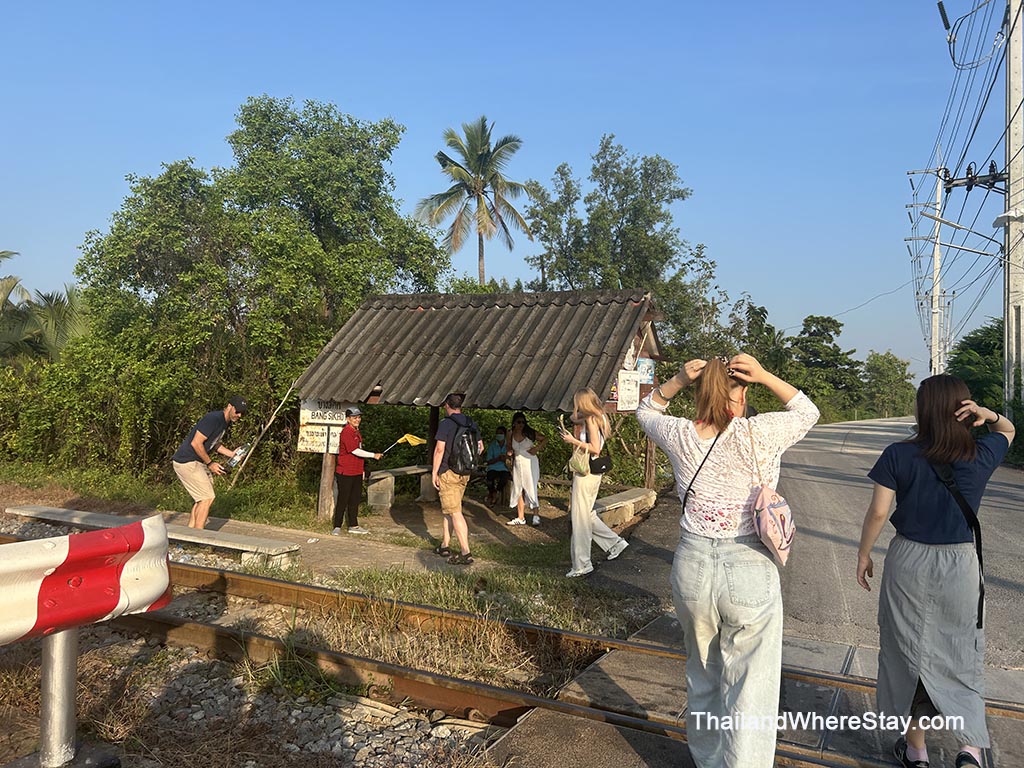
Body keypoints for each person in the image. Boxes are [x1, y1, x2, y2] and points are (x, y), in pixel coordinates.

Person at [636, 354, 818, 767]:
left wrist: (678, 379)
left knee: (702, 673)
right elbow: (807, 411)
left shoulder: (681, 434)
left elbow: (646, 410)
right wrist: (766, 375)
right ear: (743, 394)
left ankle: (708, 761)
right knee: (751, 685)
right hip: (748, 562)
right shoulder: (762, 431)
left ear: (700, 393)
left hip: (693, 565)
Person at [857, 375, 1014, 768]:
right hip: (959, 564)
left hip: (908, 561)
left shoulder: (897, 454)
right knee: (963, 651)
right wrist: (987, 413)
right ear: (963, 408)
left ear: (922, 409)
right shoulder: (980, 453)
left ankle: (917, 751)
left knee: (908, 653)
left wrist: (864, 554)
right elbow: (1008, 429)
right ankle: (970, 749)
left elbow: (878, 512)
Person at [560, 388, 628, 575]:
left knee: (579, 519)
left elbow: (595, 448)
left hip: (586, 473)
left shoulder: (590, 419)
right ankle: (615, 543)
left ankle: (582, 564)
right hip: (594, 474)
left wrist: (573, 440)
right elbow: (574, 418)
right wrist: (578, 414)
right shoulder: (600, 416)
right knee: (587, 515)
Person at [171, 395, 250, 530]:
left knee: (202, 499)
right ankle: (199, 536)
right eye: (237, 411)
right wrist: (210, 463)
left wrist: (232, 454)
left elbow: (214, 443)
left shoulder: (224, 422)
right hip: (187, 461)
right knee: (207, 497)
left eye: (242, 413)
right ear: (229, 406)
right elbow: (196, 443)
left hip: (196, 462)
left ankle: (190, 533)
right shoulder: (213, 418)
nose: (239, 415)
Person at [431, 393, 484, 565]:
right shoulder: (470, 422)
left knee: (455, 512)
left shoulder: (445, 423)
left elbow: (439, 449)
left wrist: (434, 472)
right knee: (450, 509)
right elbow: (481, 447)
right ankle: (445, 545)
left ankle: (465, 552)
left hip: (448, 472)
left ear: (447, 405)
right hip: (465, 472)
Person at [333, 407, 382, 536]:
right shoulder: (346, 432)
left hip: (356, 471)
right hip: (345, 472)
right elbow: (355, 451)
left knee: (355, 499)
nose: (357, 420)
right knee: (343, 499)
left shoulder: (356, 432)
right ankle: (337, 526)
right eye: (354, 417)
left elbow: (359, 451)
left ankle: (353, 525)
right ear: (348, 419)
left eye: (359, 417)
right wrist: (373, 455)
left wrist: (362, 470)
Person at [507, 411, 547, 526]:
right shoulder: (510, 433)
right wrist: (509, 452)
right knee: (518, 487)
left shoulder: (529, 432)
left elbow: (545, 439)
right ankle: (520, 517)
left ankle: (536, 515)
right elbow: (509, 445)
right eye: (519, 422)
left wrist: (537, 448)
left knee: (531, 487)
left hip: (530, 461)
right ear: (514, 423)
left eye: (523, 422)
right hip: (518, 462)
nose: (521, 425)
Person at [484, 426, 511, 505]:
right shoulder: (492, 445)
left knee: (504, 478)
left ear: (504, 435)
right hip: (493, 467)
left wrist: (506, 459)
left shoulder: (508, 445)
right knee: (489, 479)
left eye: (501, 433)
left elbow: (512, 459)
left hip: (504, 468)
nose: (499, 435)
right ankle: (492, 492)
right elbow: (489, 461)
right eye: (497, 433)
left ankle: (497, 492)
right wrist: (498, 459)